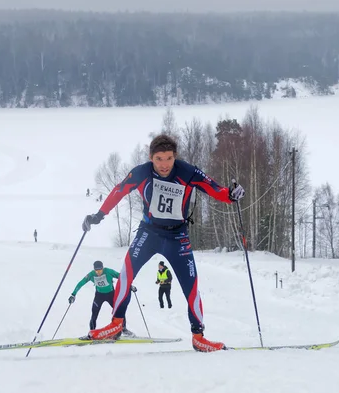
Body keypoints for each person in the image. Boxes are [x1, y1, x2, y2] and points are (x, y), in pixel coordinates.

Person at [81, 134, 245, 352]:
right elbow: (119, 191)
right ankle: (116, 324)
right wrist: (99, 215)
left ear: (174, 157)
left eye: (169, 158)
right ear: (151, 157)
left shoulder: (188, 172)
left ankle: (198, 336)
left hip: (177, 237)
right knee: (125, 274)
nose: (164, 165)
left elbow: (213, 188)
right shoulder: (141, 172)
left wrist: (231, 195)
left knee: (192, 286)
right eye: (159, 159)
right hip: (148, 234)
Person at [69, 260, 134, 335]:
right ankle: (92, 332)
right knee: (94, 314)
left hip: (111, 295)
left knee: (119, 311)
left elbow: (121, 277)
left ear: (102, 268)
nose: (98, 272)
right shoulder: (91, 274)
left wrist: (130, 286)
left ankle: (124, 329)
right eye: (96, 270)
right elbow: (81, 283)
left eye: (100, 270)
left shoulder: (108, 271)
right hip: (99, 296)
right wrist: (73, 294)